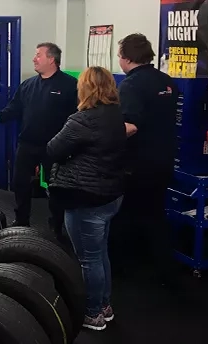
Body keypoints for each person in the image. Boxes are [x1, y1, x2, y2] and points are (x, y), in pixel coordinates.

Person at [47, 66, 126, 331]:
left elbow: (53, 149)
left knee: (88, 259)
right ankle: (104, 306)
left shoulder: (82, 120)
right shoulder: (115, 115)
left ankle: (92, 314)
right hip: (110, 196)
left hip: (85, 198)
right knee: (100, 253)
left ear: (86, 88)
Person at [0, 42, 78, 233]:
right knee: (20, 183)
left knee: (56, 187)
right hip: (28, 143)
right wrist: (1, 116)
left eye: (38, 55)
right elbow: (15, 107)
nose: (34, 59)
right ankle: (21, 220)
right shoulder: (28, 84)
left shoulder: (70, 85)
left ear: (51, 59)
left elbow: (77, 116)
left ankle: (57, 225)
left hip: (55, 146)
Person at [112, 33, 178, 284]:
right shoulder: (168, 81)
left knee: (124, 214)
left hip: (138, 163)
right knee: (155, 214)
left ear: (127, 58)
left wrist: (102, 137)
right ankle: (164, 271)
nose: (119, 60)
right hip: (164, 158)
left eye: (119, 56)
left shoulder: (130, 84)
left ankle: (120, 271)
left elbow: (131, 126)